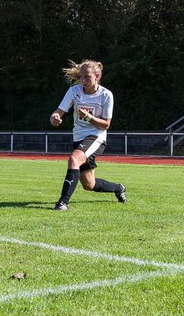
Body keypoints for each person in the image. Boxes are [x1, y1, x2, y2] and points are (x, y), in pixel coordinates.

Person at [48, 59, 126, 211]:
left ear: (97, 77)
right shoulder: (74, 91)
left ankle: (63, 202)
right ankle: (119, 188)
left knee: (74, 159)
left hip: (96, 136)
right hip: (79, 138)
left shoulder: (106, 95)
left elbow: (106, 125)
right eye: (81, 76)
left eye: (87, 76)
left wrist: (89, 117)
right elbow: (60, 111)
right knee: (89, 185)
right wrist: (54, 117)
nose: (83, 80)